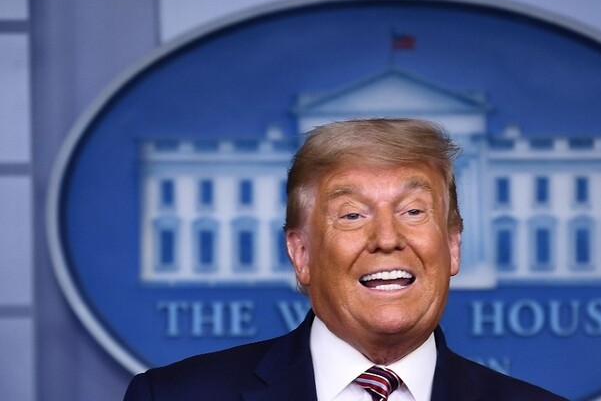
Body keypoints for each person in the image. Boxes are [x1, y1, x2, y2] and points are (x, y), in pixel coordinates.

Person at [123, 118, 566, 400]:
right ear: (301, 254)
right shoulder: (172, 396)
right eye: (352, 215)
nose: (387, 239)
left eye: (413, 212)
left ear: (452, 246)